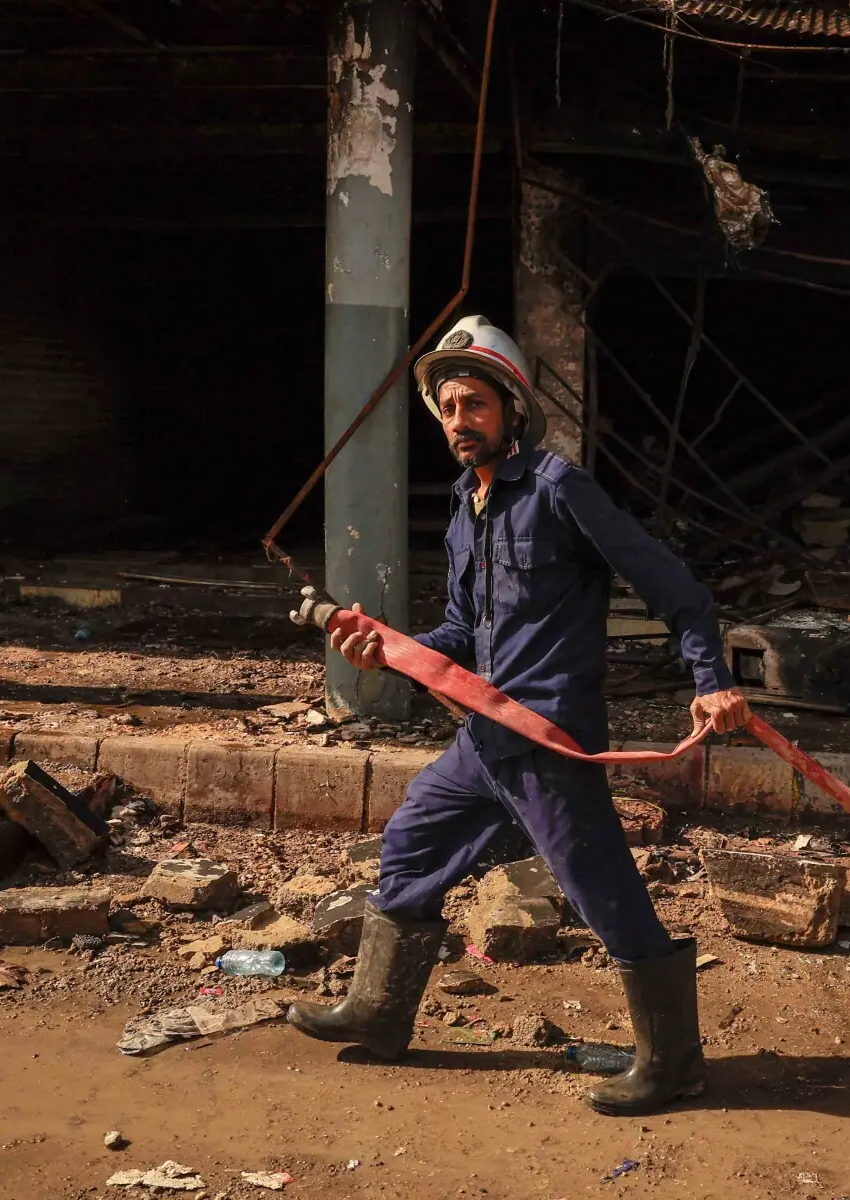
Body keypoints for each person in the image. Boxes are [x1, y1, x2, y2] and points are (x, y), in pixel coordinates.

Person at [287, 315, 751, 1114]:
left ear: (510, 407)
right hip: (482, 739)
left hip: (549, 740)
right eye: (447, 410)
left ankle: (673, 1064)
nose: (459, 423)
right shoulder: (468, 512)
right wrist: (386, 647)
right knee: (412, 839)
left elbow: (675, 588)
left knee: (601, 891)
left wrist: (709, 677)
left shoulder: (558, 490)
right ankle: (380, 1010)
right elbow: (462, 634)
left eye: (473, 405)